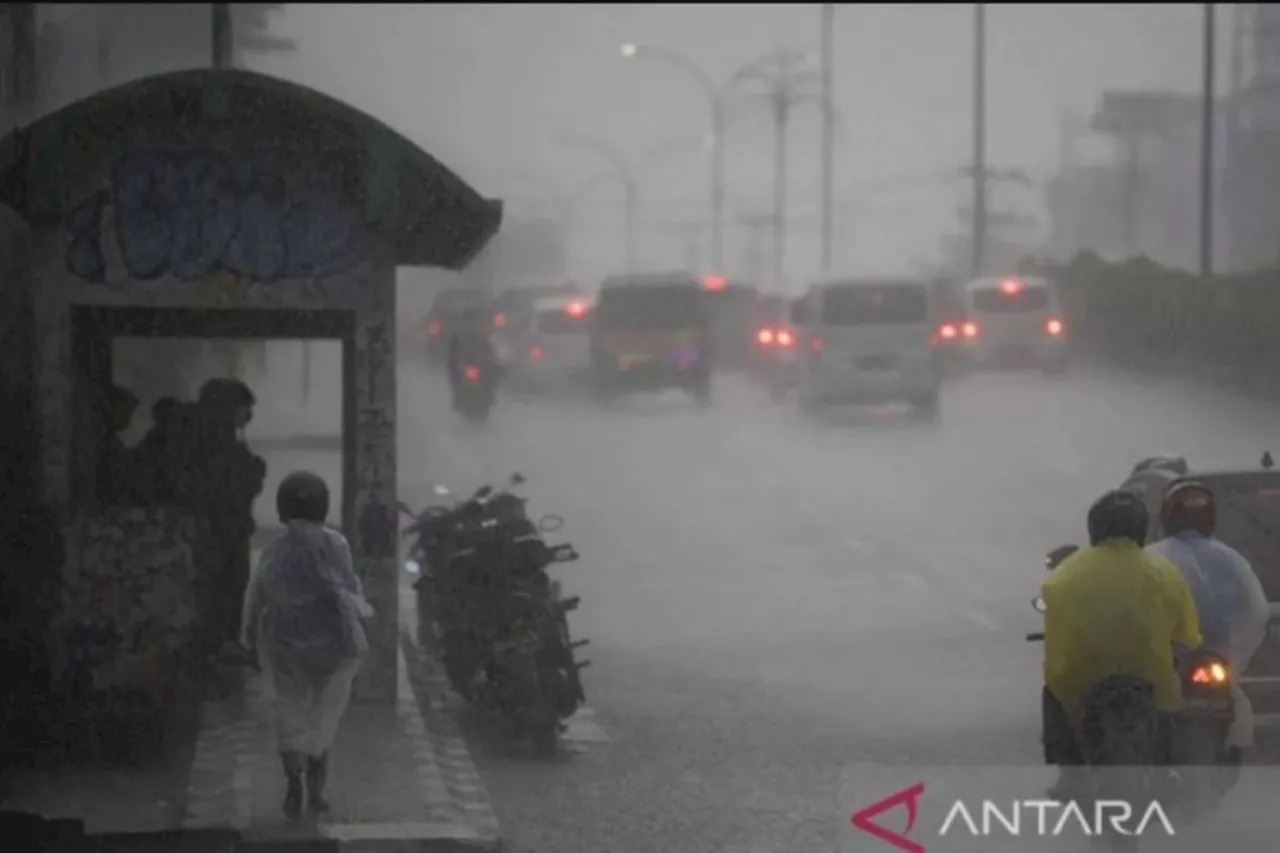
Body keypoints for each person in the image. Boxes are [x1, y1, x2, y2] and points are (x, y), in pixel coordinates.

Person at [1041, 489, 1202, 796]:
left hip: (1082, 679)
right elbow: (1188, 634)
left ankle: (1069, 773)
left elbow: (1057, 637)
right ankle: (1166, 770)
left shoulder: (1065, 575)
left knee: (1053, 693)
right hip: (1152, 679)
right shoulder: (1165, 573)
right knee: (1172, 707)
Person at [240, 471, 373, 818]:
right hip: (331, 645)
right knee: (323, 718)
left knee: (290, 713)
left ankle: (292, 787)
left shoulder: (275, 549)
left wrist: (250, 639)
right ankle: (316, 795)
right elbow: (348, 588)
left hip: (284, 645)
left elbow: (257, 596)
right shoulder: (336, 544)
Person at [1146, 481, 1270, 754]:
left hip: (1168, 663)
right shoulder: (1232, 560)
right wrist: (1234, 656)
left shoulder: (1151, 558)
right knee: (1237, 712)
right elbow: (1256, 613)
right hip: (1215, 664)